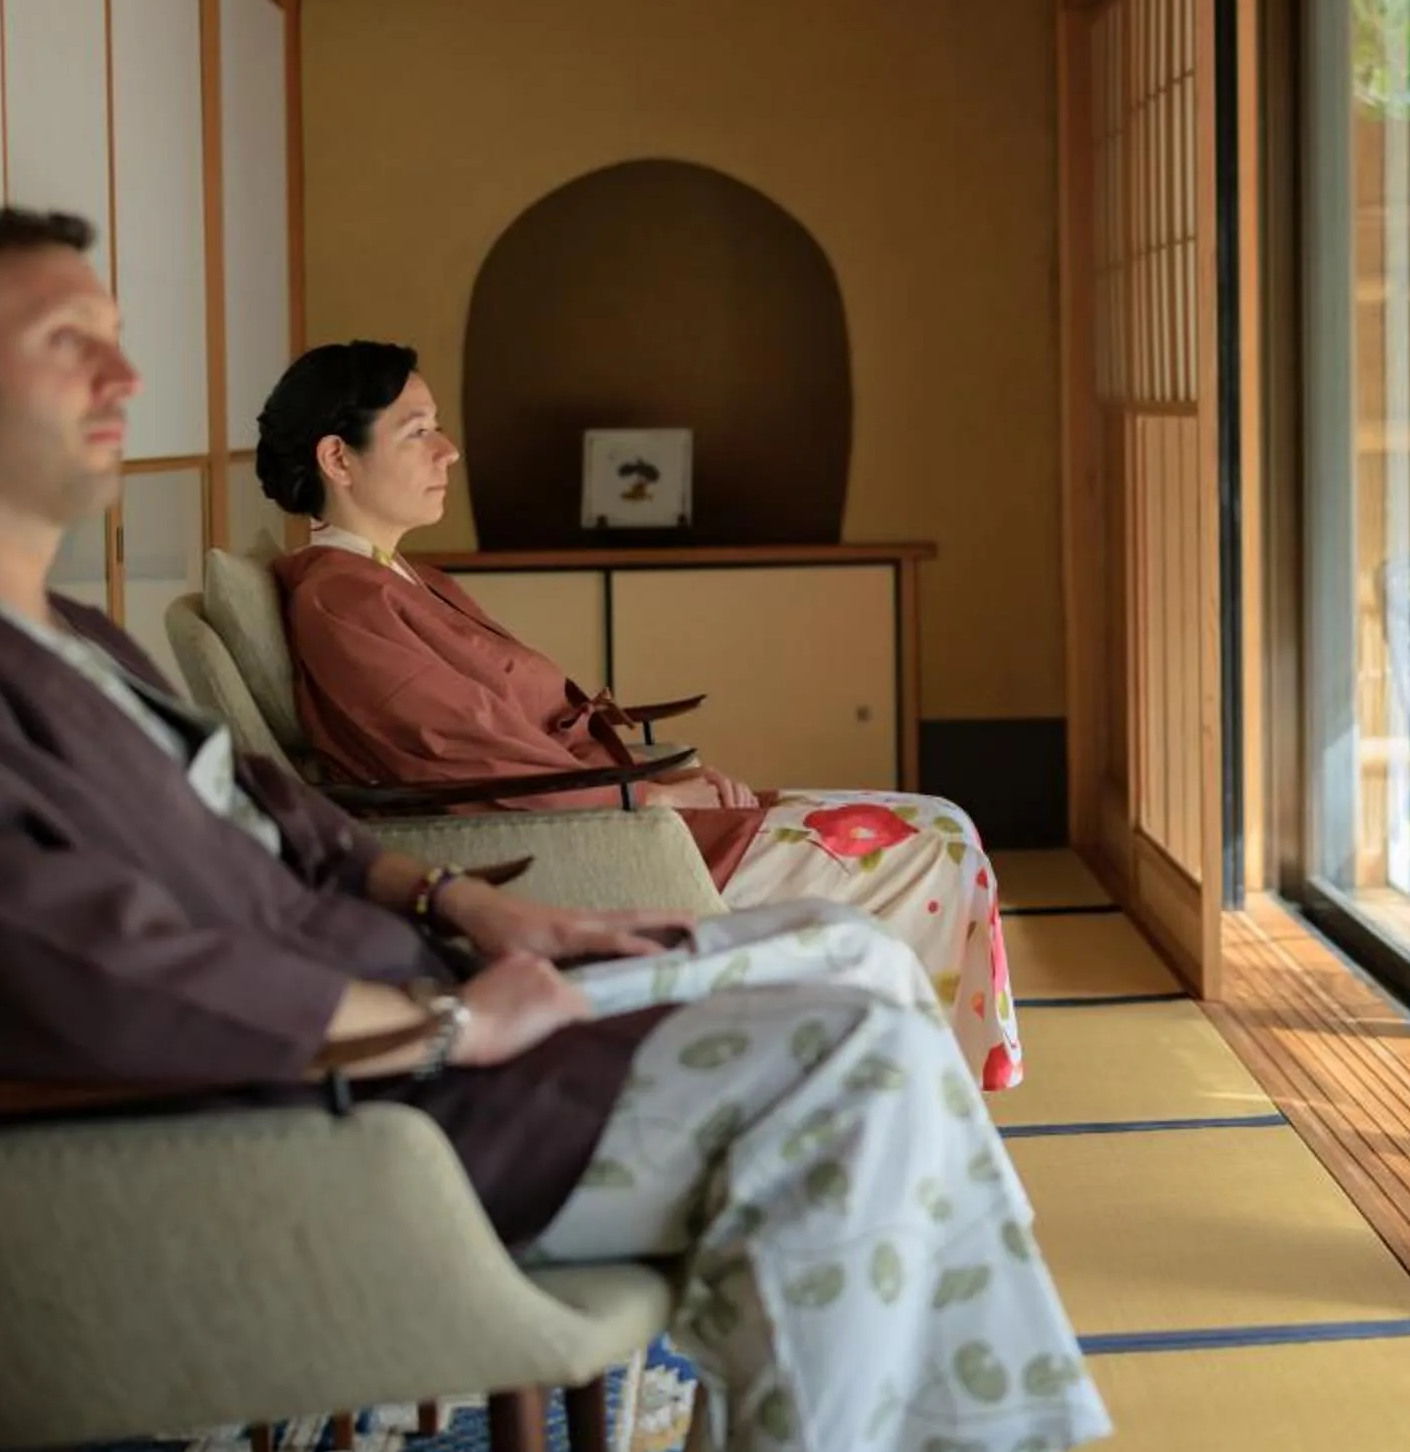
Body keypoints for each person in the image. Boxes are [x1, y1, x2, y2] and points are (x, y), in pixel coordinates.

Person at [0, 209, 1106, 1452]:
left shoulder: (62, 639)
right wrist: (433, 1021)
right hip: (340, 1107)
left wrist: (466, 903)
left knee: (860, 970)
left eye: (113, 336)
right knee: (853, 1065)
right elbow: (75, 977)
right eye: (65, 343)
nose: (123, 377)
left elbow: (288, 819)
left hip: (420, 999)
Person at [254, 343, 1023, 1090]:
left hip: (607, 811)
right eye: (417, 431)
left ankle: (900, 1083)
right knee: (934, 842)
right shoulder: (344, 600)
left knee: (936, 827)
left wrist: (657, 777)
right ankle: (920, 1089)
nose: (448, 451)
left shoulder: (400, 580)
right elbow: (461, 754)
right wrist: (640, 797)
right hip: (586, 838)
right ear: (338, 459)